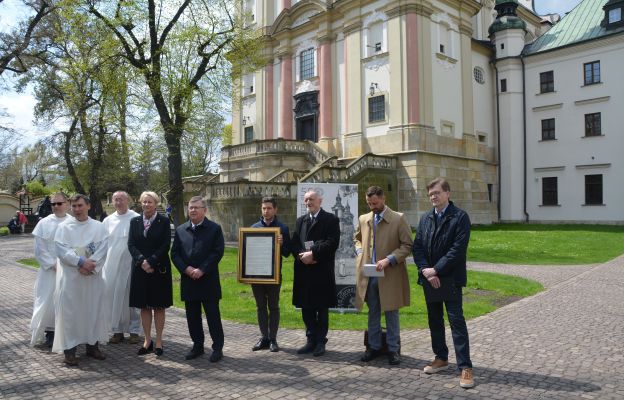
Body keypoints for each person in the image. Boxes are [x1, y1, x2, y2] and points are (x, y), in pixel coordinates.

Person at [412, 177, 475, 389]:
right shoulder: (426, 218)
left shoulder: (460, 217)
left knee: (456, 321)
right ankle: (440, 357)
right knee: (434, 320)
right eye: (430, 194)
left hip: (451, 278)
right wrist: (426, 271)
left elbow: (457, 250)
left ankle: (465, 367)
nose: (433, 197)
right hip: (430, 278)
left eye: (437, 193)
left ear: (448, 193)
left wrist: (436, 269)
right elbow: (418, 247)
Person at [354, 186, 413, 365]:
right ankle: (373, 347)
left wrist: (389, 259)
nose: (372, 206)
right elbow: (356, 238)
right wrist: (359, 251)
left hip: (390, 274)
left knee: (391, 311)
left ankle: (393, 350)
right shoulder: (364, 219)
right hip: (369, 275)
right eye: (369, 203)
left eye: (375, 203)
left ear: (383, 198)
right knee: (373, 311)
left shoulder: (398, 218)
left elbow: (408, 245)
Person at [53, 194, 108, 366]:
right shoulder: (64, 227)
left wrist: (91, 266)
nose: (77, 209)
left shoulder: (98, 227)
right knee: (71, 313)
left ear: (89, 206)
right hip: (72, 278)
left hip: (92, 278)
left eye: (80, 206)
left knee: (93, 311)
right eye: (74, 206)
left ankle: (92, 346)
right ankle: (70, 350)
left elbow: (103, 248)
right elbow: (62, 250)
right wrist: (81, 262)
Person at [171, 196, 225, 362]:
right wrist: (186, 269)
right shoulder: (181, 230)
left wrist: (202, 269)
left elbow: (217, 252)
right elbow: (175, 254)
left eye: (196, 207)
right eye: (190, 207)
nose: (193, 210)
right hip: (189, 281)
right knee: (192, 317)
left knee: (212, 316)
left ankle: (217, 348)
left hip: (208, 280)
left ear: (204, 210)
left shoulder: (214, 229)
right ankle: (198, 346)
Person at [291, 189, 340, 357]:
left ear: (320, 201)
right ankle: (310, 339)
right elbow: (295, 243)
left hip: (321, 271)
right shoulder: (300, 221)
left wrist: (313, 253)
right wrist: (302, 256)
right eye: (305, 200)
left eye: (311, 199)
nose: (308, 203)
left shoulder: (331, 219)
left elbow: (332, 243)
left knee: (321, 309)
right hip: (304, 273)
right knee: (306, 308)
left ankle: (320, 342)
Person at [128, 191, 172, 357]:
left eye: (150, 202)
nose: (146, 205)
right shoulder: (135, 221)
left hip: (158, 269)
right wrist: (142, 261)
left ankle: (159, 341)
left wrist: (151, 261)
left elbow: (165, 244)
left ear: (156, 204)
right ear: (140, 203)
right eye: (144, 202)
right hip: (140, 269)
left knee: (158, 306)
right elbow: (131, 244)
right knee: (144, 306)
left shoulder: (164, 221)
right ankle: (147, 340)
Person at [249, 196, 291, 352]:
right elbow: (249, 253)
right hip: (256, 275)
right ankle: (263, 337)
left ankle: (273, 338)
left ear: (275, 209)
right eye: (264, 208)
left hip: (274, 275)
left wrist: (282, 244)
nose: (266, 211)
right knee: (260, 307)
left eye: (269, 208)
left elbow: (287, 254)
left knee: (273, 307)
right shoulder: (253, 228)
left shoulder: (282, 228)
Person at [30, 193, 70, 348]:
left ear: (67, 204)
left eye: (59, 203)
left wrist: (66, 263)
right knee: (46, 301)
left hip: (68, 269)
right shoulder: (43, 223)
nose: (56, 207)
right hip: (49, 271)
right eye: (53, 204)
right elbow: (39, 249)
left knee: (66, 301)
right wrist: (52, 264)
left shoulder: (73, 222)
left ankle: (67, 333)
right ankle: (50, 333)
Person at [102, 191, 141, 345]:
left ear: (128, 200)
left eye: (121, 199)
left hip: (131, 264)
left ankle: (134, 331)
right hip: (111, 265)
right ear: (112, 202)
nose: (119, 202)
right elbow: (103, 243)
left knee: (132, 299)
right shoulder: (107, 221)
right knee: (113, 298)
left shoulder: (136, 218)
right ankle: (116, 330)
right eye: (116, 200)